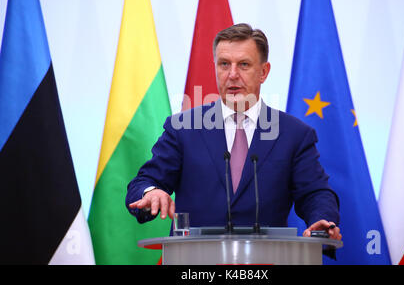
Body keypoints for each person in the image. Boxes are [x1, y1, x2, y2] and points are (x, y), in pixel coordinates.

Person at [126, 23, 341, 240]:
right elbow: (144, 181)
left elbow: (315, 192)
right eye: (224, 64)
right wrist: (150, 192)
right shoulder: (183, 128)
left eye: (244, 65)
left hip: (265, 264)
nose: (232, 75)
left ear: (264, 72)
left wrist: (321, 220)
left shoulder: (294, 134)